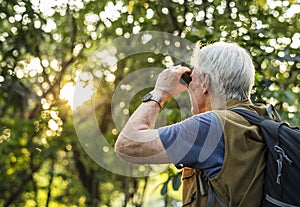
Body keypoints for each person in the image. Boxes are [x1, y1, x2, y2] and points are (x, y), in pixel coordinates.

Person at [114, 41, 267, 206]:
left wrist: (159, 93)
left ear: (205, 83)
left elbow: (127, 145)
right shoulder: (263, 120)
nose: (188, 88)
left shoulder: (210, 128)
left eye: (190, 79)